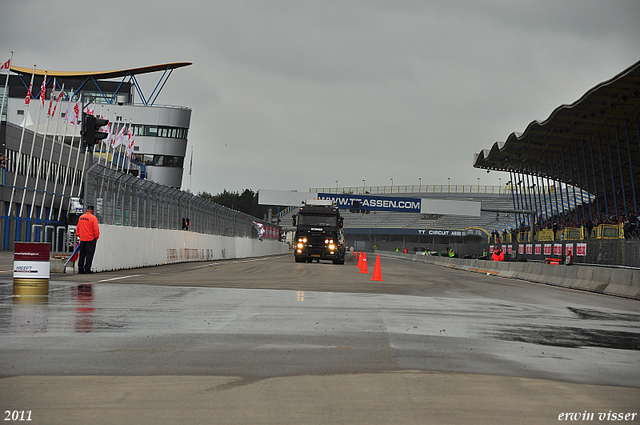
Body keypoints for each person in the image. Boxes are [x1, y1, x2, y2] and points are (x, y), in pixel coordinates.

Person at [77, 205, 100, 274]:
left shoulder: (81, 217)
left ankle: (80, 269)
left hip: (82, 239)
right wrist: (96, 237)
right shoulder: (93, 218)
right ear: (92, 211)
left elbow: (78, 228)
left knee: (82, 254)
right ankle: (87, 269)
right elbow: (95, 229)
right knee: (89, 255)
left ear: (87, 210)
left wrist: (80, 235)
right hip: (90, 239)